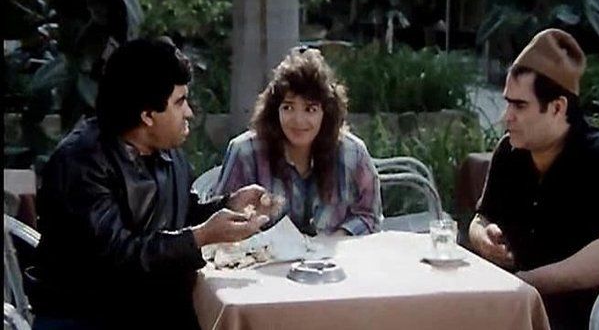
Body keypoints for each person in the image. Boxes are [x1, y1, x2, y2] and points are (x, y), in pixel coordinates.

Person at [31, 39, 279, 330]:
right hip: (88, 314)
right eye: (179, 102)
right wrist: (201, 236)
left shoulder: (167, 151)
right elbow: (118, 258)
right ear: (147, 115)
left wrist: (229, 205)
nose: (189, 113)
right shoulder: (81, 163)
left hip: (152, 307)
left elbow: (179, 215)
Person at [468, 29, 599, 329]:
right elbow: (481, 218)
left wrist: (530, 283)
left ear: (558, 107)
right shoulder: (510, 152)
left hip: (588, 318)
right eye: (508, 103)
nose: (507, 116)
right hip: (515, 309)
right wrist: (484, 238)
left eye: (519, 105)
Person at [209, 46, 382, 236]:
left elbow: (370, 216)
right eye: (288, 107)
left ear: (326, 112)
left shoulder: (353, 154)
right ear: (274, 110)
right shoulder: (245, 153)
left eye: (310, 109)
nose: (298, 120)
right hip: (263, 254)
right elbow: (220, 224)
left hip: (334, 253)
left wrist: (337, 238)